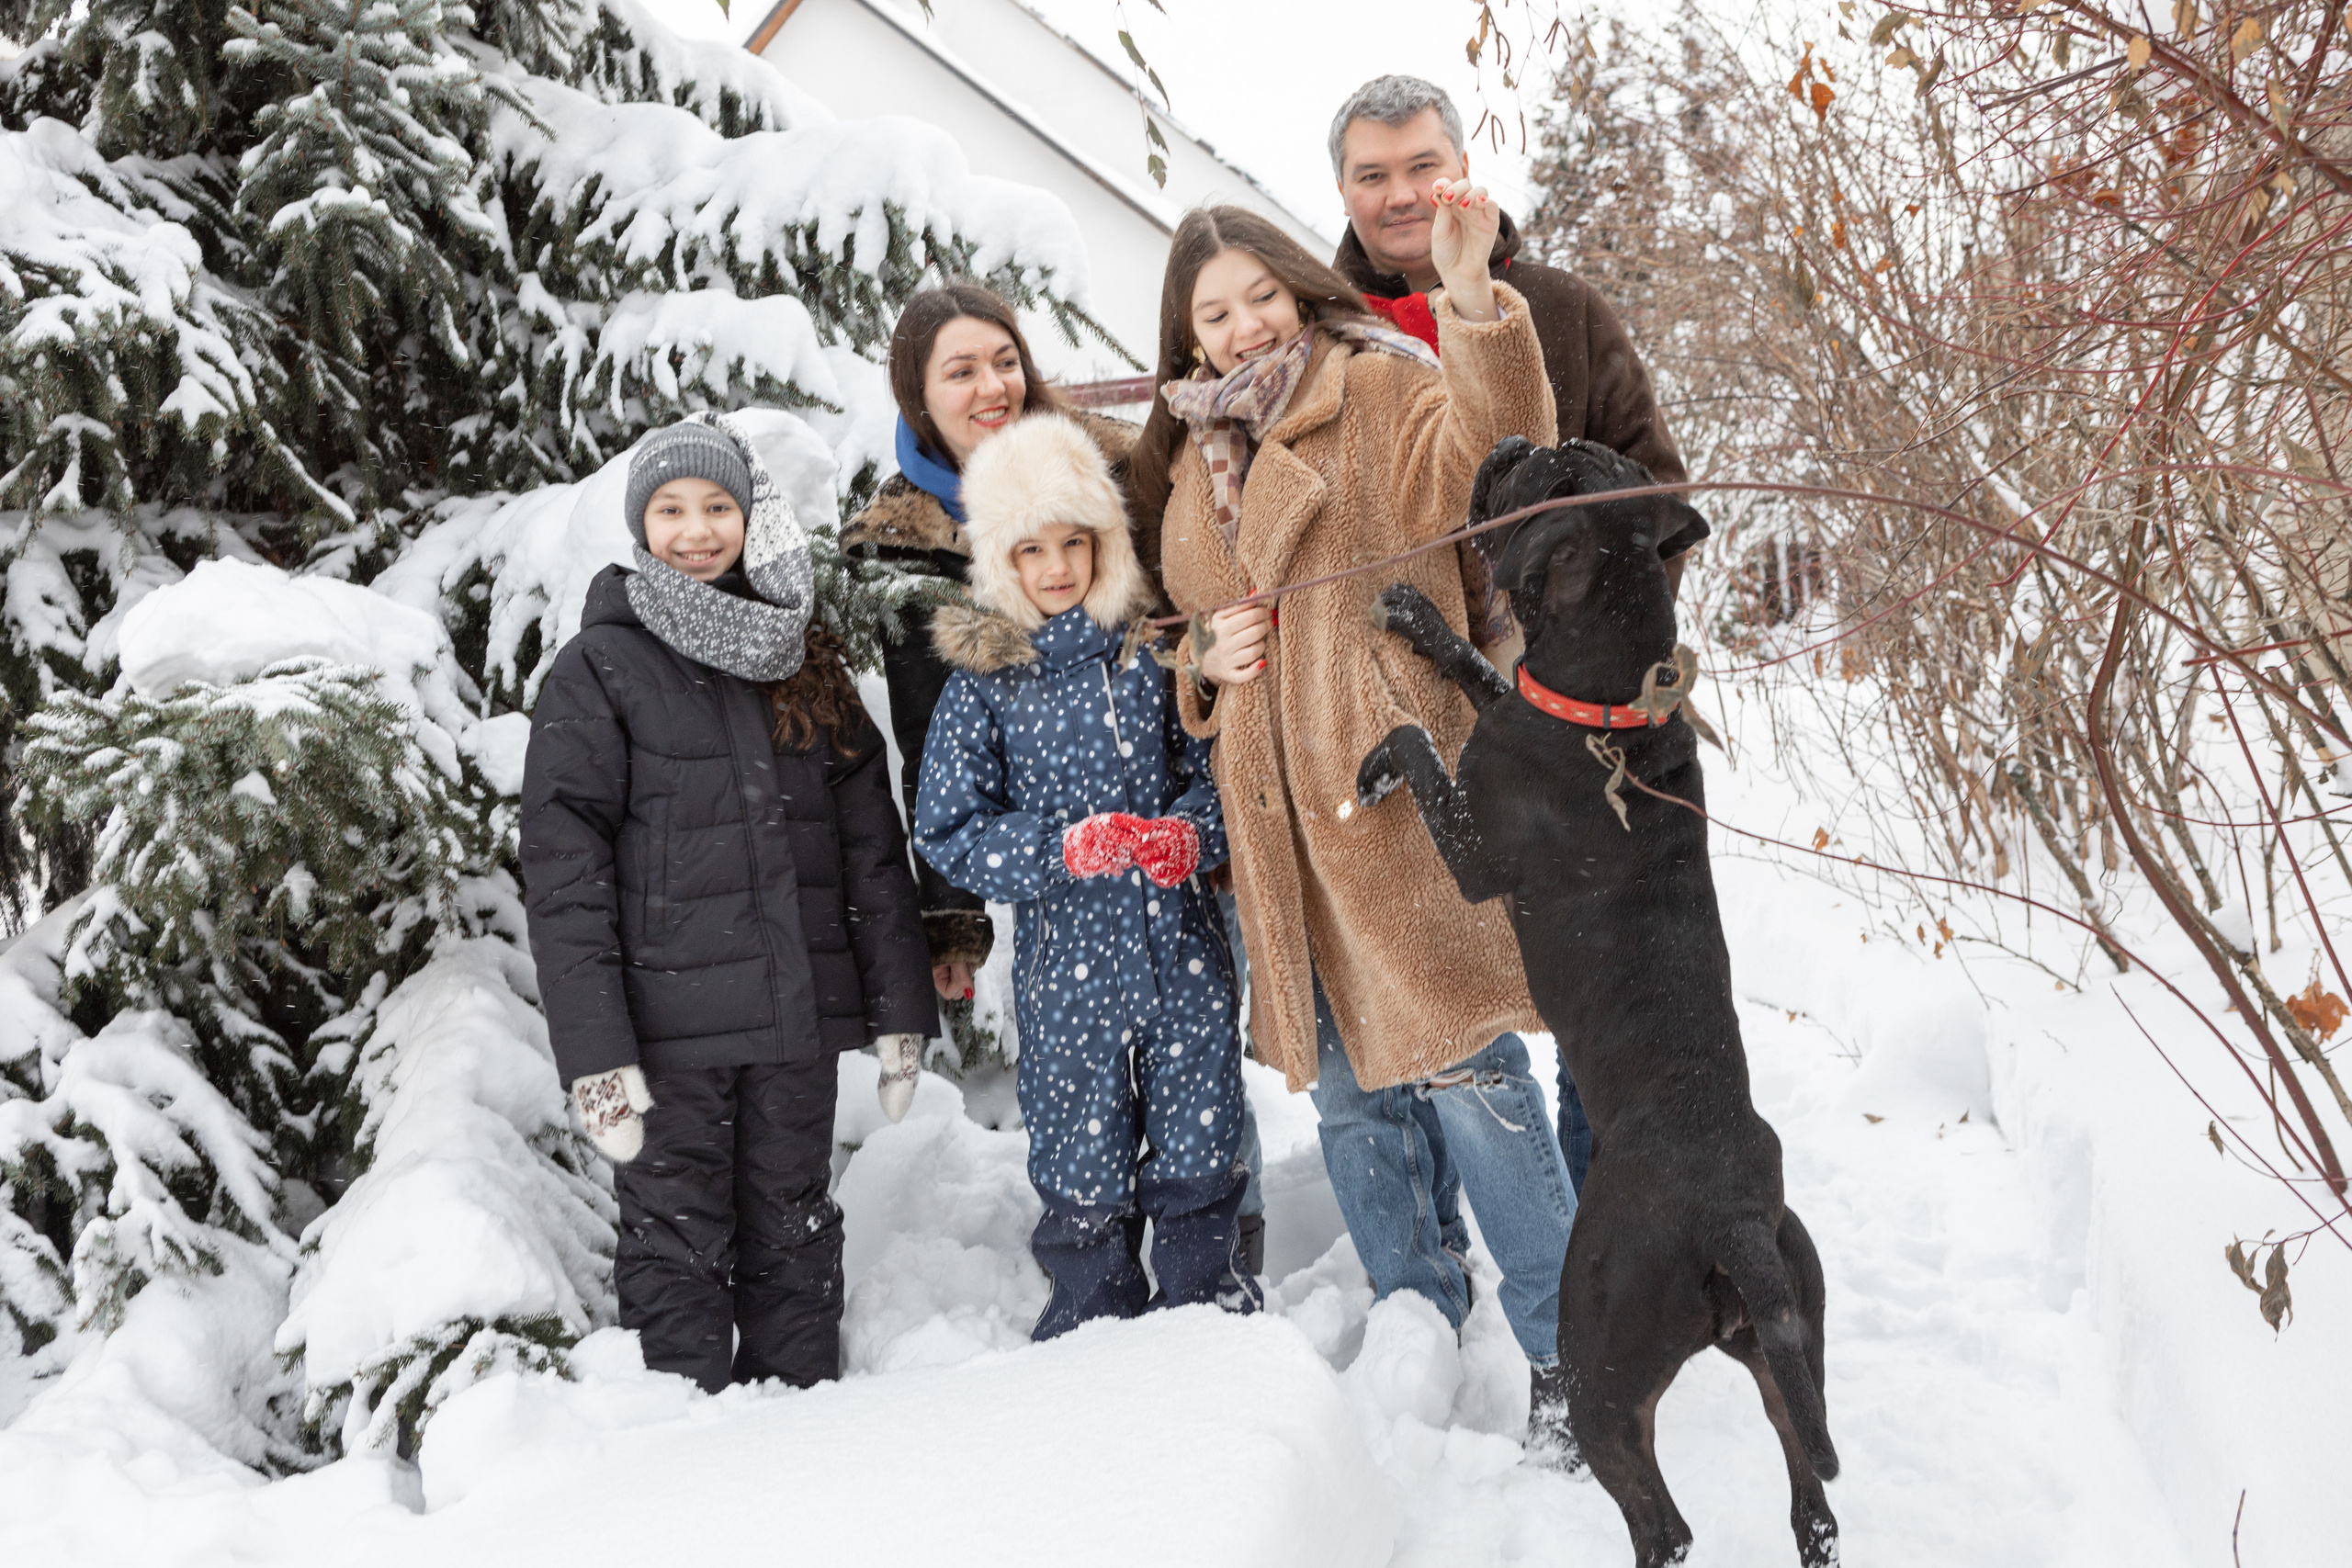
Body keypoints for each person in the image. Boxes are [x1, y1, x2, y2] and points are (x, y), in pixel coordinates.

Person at [1128, 197, 1579, 1382]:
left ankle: (1571, 1356)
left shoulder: (1371, 387)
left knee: (1474, 1075)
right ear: (1184, 335)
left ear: (1295, 287)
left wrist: (1473, 301)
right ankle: (1416, 1325)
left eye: (1258, 297)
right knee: (1343, 1096)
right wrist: (1198, 668)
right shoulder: (1181, 455)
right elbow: (1181, 627)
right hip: (1276, 826)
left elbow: (1503, 449)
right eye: (1211, 313)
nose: (1240, 328)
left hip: (1393, 796)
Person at [843, 284, 1271, 1273]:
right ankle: (1095, 1298)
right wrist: (954, 914)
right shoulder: (901, 537)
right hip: (1065, 915)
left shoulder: (1108, 464)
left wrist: (1205, 826)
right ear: (918, 396)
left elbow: (1204, 594)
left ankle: (1218, 1272)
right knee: (1083, 1119)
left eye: (1002, 358)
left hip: (1175, 854)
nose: (990, 384)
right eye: (959, 370)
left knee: (1200, 1085)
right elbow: (934, 748)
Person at [1328, 73, 1702, 1191]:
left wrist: (1583, 647)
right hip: (1398, 690)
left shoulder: (1562, 308)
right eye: (1371, 174)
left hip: (1573, 712)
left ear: (1461, 168)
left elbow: (1664, 498)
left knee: (1599, 993)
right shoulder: (1321, 336)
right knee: (1420, 986)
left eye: (1419, 166)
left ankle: (1611, 1233)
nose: (1400, 196)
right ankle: (1441, 1256)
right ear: (1341, 189)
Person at [521, 414, 937, 1393]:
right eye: (671, 509)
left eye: (718, 507)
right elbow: (563, 871)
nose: (697, 529)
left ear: (753, 521)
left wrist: (898, 1015)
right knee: (675, 1249)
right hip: (667, 1042)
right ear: (640, 525)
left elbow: (867, 851)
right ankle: (684, 1461)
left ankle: (803, 1449)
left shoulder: (803, 658)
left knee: (795, 1230)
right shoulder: (600, 671)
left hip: (791, 1027)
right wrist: (598, 1059)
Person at [911, 412, 1259, 1338]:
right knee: (1081, 1166)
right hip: (1069, 975)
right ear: (1000, 561)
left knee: (1199, 1146)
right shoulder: (985, 681)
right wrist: (1055, 849)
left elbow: (1219, 768)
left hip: (1183, 956)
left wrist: (1192, 834)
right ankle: (1092, 1336)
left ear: (1106, 544)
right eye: (1032, 548)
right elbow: (946, 827)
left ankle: (1206, 1323)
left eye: (1075, 542)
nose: (1057, 566)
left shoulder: (1154, 651)